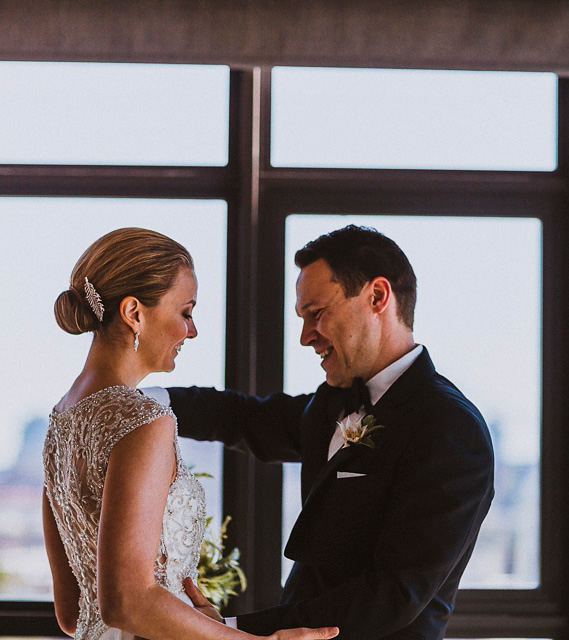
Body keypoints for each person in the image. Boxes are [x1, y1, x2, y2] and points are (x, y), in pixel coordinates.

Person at [163, 225, 496, 639]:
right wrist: (141, 403)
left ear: (377, 297)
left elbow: (393, 594)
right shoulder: (332, 403)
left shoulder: (451, 428)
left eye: (316, 314)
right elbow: (244, 418)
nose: (306, 338)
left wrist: (227, 631)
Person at [42, 227, 338, 640]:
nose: (192, 331)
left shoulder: (60, 422)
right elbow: (126, 602)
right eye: (185, 312)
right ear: (134, 313)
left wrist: (189, 620)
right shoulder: (144, 420)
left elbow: (75, 615)